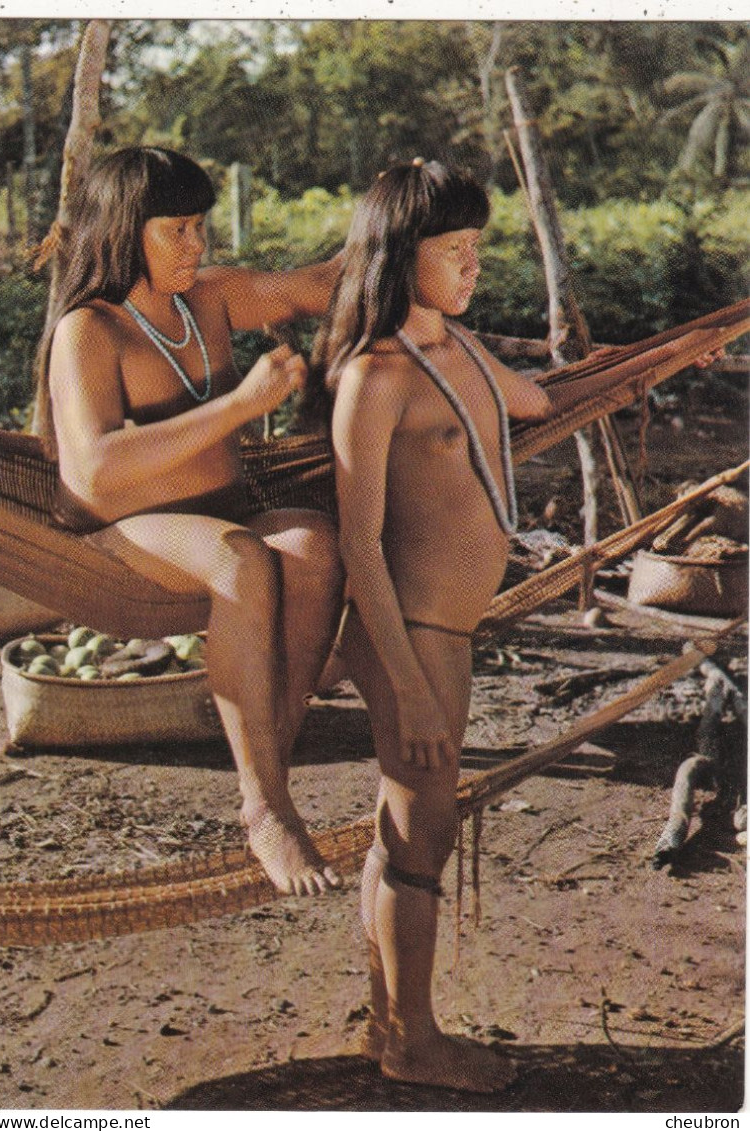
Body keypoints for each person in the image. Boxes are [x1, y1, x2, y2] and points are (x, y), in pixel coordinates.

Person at [34, 146, 345, 897]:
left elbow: (315, 286)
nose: (196, 244)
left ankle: (269, 745)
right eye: (176, 229)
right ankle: (266, 807)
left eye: (199, 226)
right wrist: (241, 404)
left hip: (224, 511)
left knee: (311, 545)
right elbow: (94, 470)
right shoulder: (91, 330)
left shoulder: (210, 298)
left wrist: (393, 217)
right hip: (127, 531)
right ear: (123, 230)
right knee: (241, 558)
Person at [310, 158, 552, 1091]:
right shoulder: (373, 376)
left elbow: (528, 402)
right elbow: (359, 541)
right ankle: (414, 1042)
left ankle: (389, 1023)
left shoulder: (454, 346)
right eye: (452, 250)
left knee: (408, 831)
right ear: (395, 255)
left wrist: (630, 370)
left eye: (476, 249)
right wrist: (406, 682)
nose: (471, 265)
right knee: (422, 833)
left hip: (446, 629)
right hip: (408, 631)